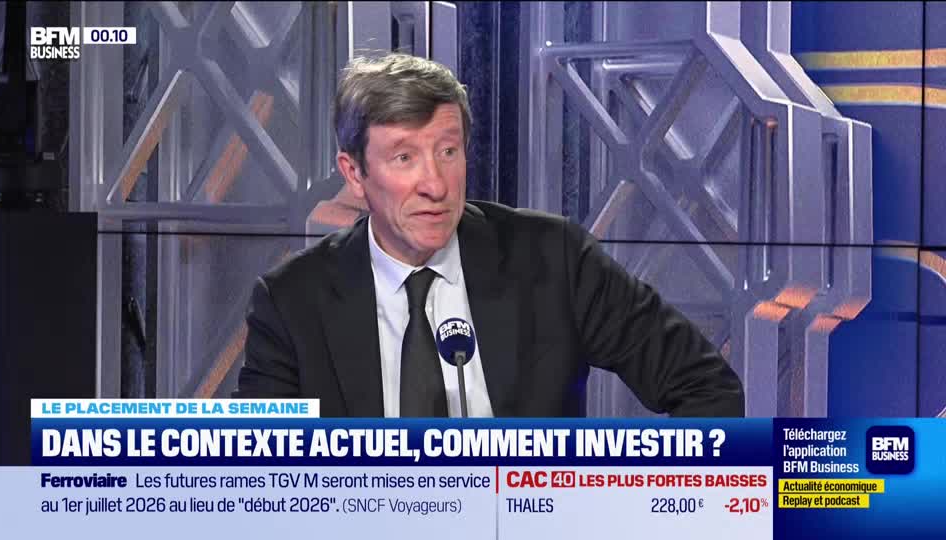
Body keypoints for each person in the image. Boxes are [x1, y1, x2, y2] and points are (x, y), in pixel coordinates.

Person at [233, 53, 744, 417]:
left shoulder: (553, 260)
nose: (436, 185)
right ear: (354, 174)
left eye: (448, 152)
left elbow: (705, 386)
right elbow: (257, 472)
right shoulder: (292, 301)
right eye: (404, 157)